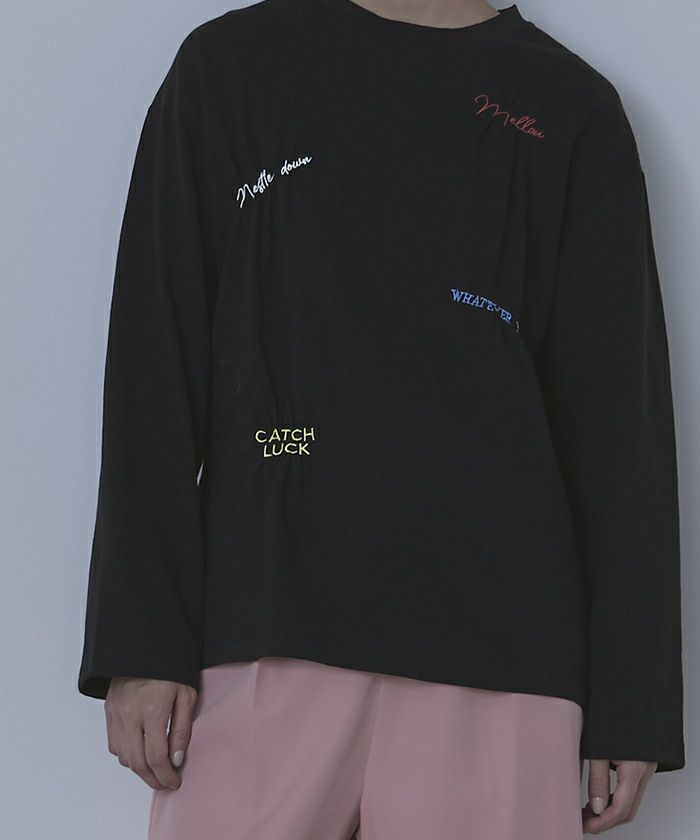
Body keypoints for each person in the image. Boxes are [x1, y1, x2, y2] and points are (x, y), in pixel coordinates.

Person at [77, 0, 686, 837]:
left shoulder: (569, 106)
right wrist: (140, 643)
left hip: (503, 648)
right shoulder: (230, 69)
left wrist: (631, 700)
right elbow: (154, 367)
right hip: (266, 618)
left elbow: (621, 425)